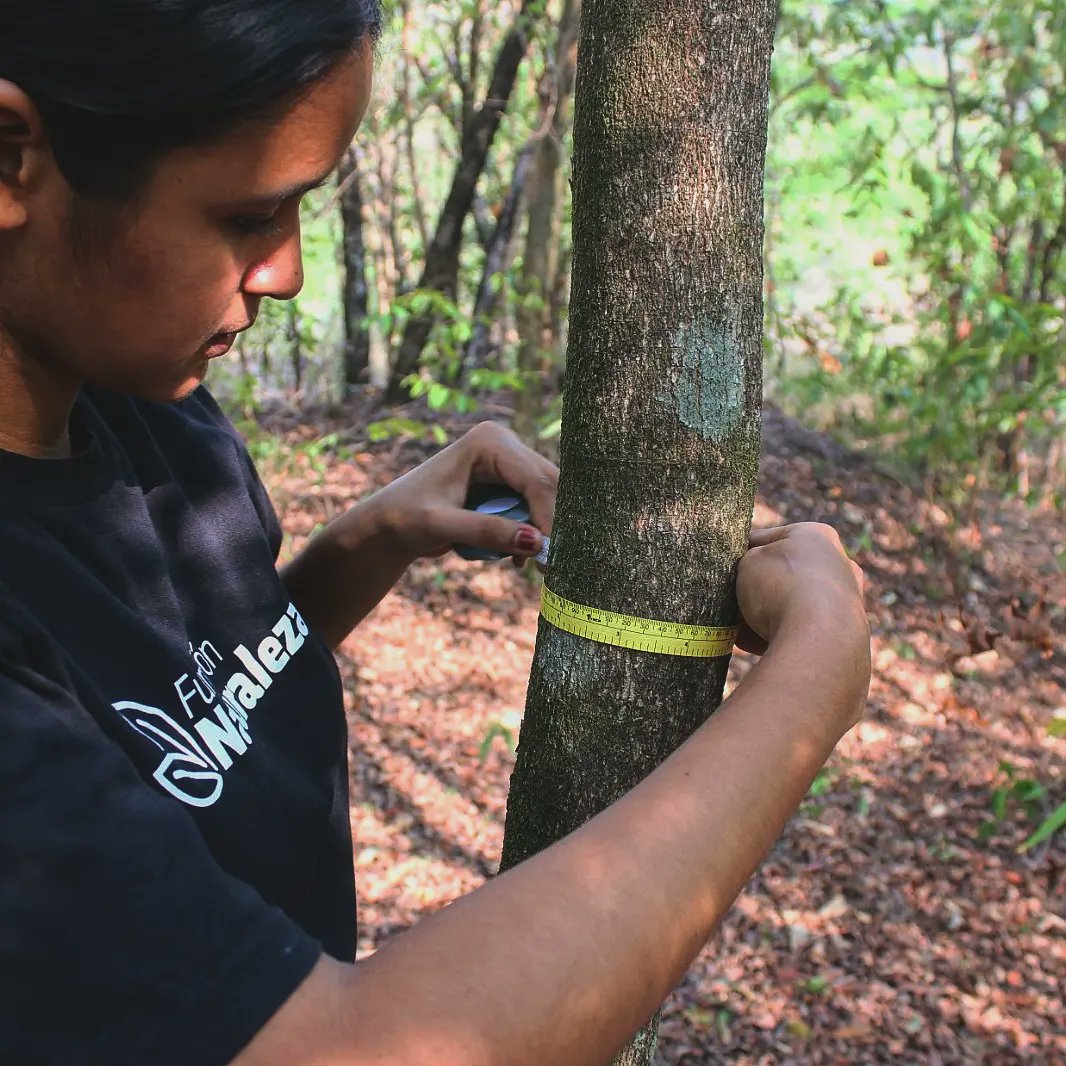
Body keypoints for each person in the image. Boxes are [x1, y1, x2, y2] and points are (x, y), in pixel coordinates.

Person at [0, 3, 872, 1063]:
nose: (287, 272)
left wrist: (373, 538)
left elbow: (187, 706)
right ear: (13, 158)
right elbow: (339, 1048)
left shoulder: (139, 402)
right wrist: (811, 688)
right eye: (248, 216)